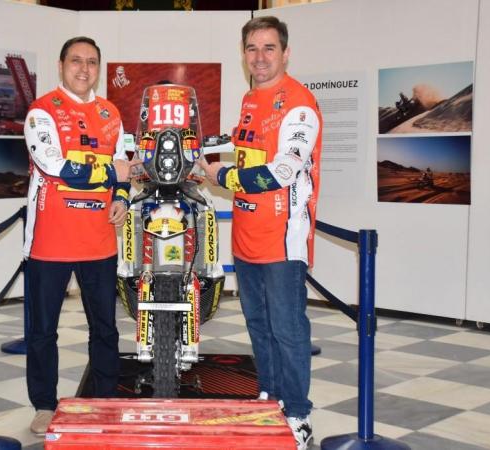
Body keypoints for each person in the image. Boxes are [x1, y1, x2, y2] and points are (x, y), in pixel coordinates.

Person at [199, 16, 322, 450]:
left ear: (286, 53)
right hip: (247, 236)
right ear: (243, 54)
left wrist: (222, 176)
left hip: (283, 239)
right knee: (258, 325)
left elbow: (283, 170)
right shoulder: (251, 99)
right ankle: (270, 396)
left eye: (269, 48)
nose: (260, 57)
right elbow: (244, 149)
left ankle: (299, 414)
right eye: (252, 48)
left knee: (288, 329)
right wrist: (201, 162)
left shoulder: (300, 104)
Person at [23, 36, 133, 435]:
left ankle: (106, 399)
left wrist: (121, 197)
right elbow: (54, 166)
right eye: (76, 61)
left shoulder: (110, 112)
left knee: (105, 328)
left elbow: (123, 165)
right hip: (50, 242)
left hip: (99, 240)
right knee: (42, 331)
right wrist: (109, 174)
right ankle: (44, 405)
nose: (84, 69)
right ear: (61, 65)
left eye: (91, 62)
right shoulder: (41, 111)